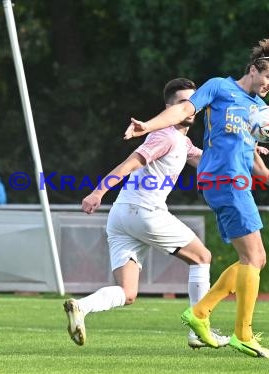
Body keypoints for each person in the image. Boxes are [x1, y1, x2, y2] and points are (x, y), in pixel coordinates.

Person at [124, 37, 269, 359]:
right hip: (223, 180)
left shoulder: (260, 110)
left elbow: (250, 155)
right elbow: (184, 109)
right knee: (253, 259)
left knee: (255, 259)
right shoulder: (219, 88)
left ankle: (201, 313)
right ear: (253, 69)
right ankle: (240, 333)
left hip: (237, 182)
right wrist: (147, 126)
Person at [63, 78, 230, 349]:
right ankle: (198, 330)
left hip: (121, 216)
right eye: (181, 103)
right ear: (168, 107)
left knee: (128, 293)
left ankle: (81, 306)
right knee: (202, 257)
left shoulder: (182, 141)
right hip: (144, 211)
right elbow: (128, 165)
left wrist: (246, 152)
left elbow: (208, 158)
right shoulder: (164, 135)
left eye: (191, 104)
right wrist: (97, 192)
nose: (189, 109)